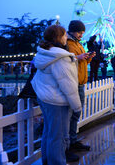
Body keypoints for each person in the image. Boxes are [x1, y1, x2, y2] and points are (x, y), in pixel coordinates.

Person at [31, 25, 81, 165]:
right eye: (65, 35)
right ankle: (57, 162)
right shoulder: (61, 57)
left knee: (49, 133)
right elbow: (68, 85)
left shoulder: (44, 53)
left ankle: (47, 160)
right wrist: (77, 106)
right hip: (57, 101)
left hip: (45, 98)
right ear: (58, 37)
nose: (66, 38)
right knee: (58, 137)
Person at [67, 20, 95, 158]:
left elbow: (81, 61)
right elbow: (66, 61)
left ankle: (73, 141)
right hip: (74, 83)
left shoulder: (78, 44)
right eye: (79, 32)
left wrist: (88, 57)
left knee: (76, 113)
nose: (81, 35)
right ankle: (69, 144)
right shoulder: (68, 44)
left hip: (81, 82)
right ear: (72, 30)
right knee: (71, 114)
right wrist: (78, 57)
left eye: (82, 33)